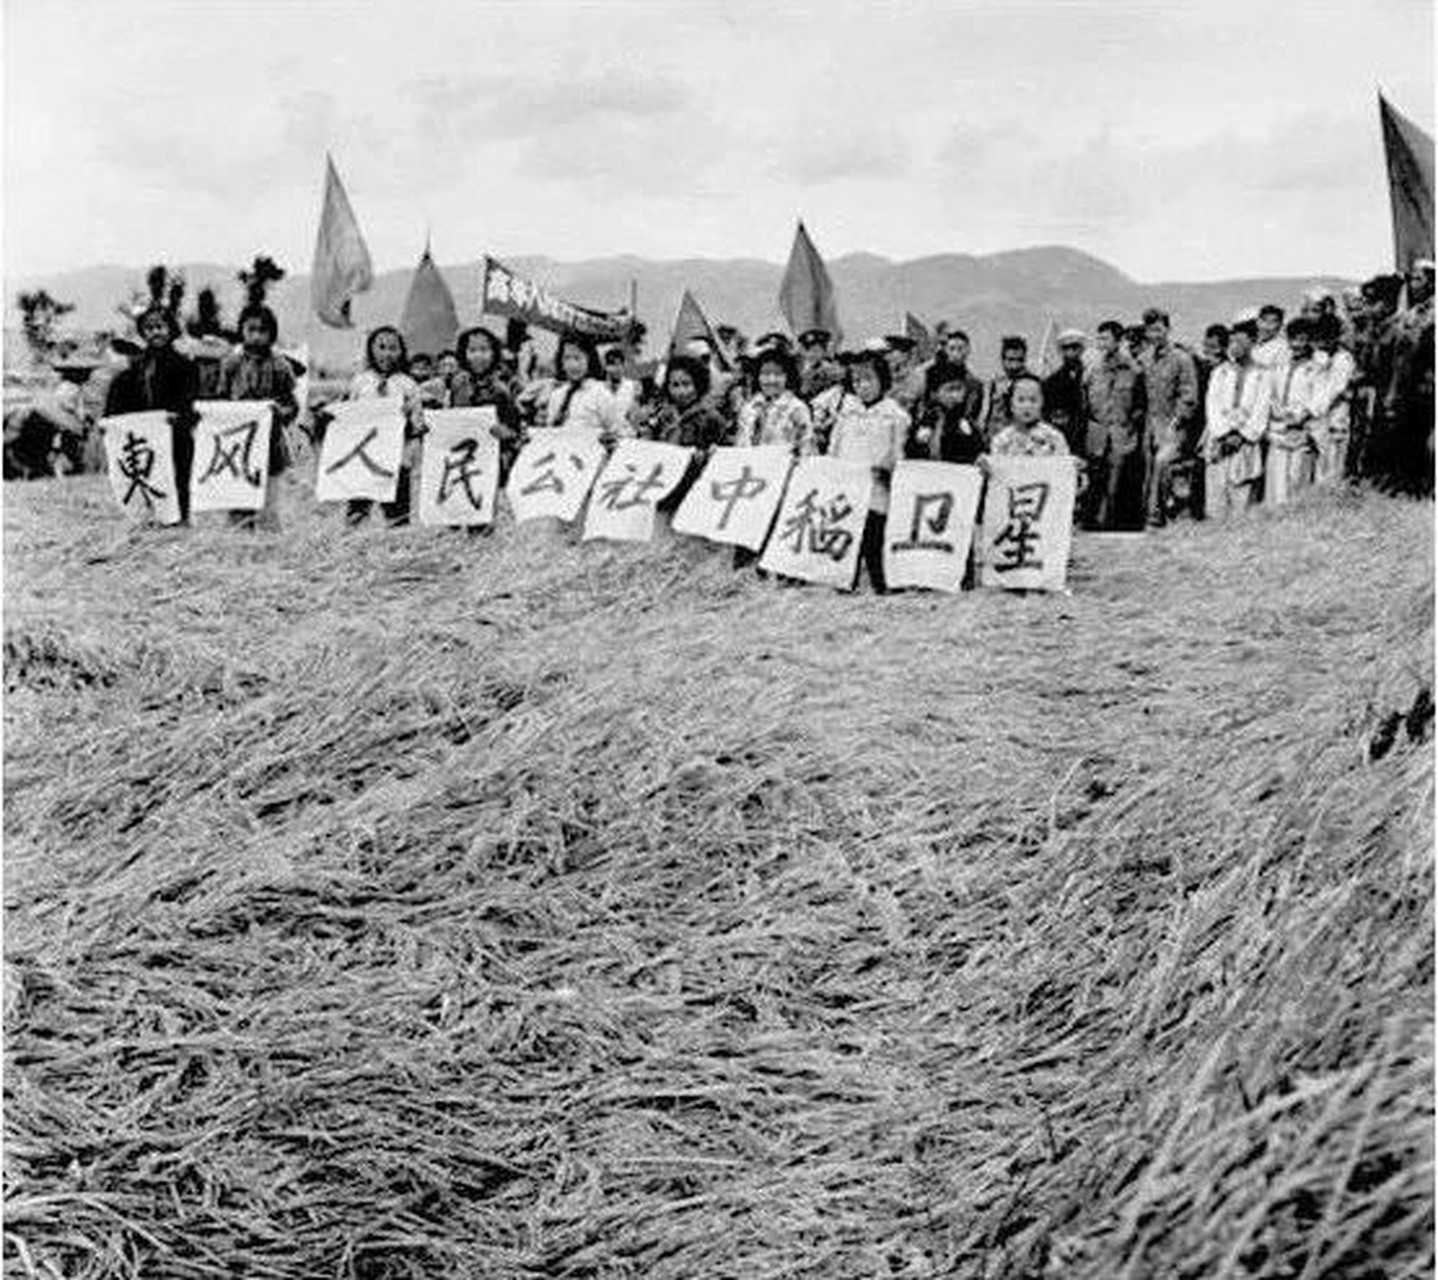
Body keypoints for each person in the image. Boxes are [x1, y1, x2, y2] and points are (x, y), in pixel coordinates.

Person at [103, 268, 200, 524]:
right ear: (143, 333)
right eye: (149, 328)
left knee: (179, 478)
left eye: (160, 326)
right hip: (147, 437)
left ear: (171, 329)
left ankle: (180, 522)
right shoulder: (135, 368)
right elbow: (122, 395)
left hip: (175, 434)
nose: (155, 332)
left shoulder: (185, 365)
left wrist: (179, 417)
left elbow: (191, 399)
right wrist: (111, 421)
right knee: (149, 477)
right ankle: (152, 520)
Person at [215, 288, 299, 530]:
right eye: (251, 330)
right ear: (241, 332)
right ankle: (239, 536)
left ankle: (269, 537)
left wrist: (281, 412)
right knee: (239, 491)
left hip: (271, 439)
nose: (256, 336)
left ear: (272, 334)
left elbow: (290, 401)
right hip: (238, 439)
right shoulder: (231, 363)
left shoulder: (280, 365)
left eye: (262, 331)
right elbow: (221, 397)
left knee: (268, 494)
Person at [826, 349, 910, 592]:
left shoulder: (894, 414)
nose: (862, 386)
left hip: (877, 488)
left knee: (875, 539)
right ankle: (845, 582)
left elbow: (898, 449)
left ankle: (881, 584)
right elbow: (835, 446)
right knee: (849, 535)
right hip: (849, 485)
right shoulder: (847, 413)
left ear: (882, 381)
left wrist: (890, 468)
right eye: (857, 381)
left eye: (868, 380)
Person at [335, 325, 426, 528]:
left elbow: (417, 423)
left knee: (398, 510)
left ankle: (397, 543)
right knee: (358, 505)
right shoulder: (360, 383)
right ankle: (355, 540)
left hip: (397, 455)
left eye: (393, 348)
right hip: (364, 455)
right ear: (371, 350)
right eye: (381, 347)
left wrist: (411, 451)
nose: (387, 353)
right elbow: (347, 414)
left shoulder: (407, 384)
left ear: (402, 351)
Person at [1202, 312, 1271, 518]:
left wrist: (1242, 435)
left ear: (1252, 342)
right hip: (1220, 442)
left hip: (1245, 444)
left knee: (1242, 496)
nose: (1235, 346)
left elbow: (1261, 408)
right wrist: (1223, 433)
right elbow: (1212, 405)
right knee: (1216, 496)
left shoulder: (1263, 374)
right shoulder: (1220, 372)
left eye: (1241, 341)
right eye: (1232, 341)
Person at [1082, 319, 1146, 530]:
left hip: (1122, 433)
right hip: (1097, 432)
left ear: (1118, 341)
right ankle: (1092, 522)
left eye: (1105, 338)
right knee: (1095, 480)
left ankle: (1112, 523)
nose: (1101, 342)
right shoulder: (1092, 369)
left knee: (1116, 483)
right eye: (1098, 337)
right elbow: (1085, 399)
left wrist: (1129, 424)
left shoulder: (1133, 370)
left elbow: (1140, 403)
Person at [1138, 307, 1198, 527]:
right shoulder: (1144, 359)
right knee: (1147, 469)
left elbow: (1189, 395)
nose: (1155, 335)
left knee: (1163, 463)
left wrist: (1178, 421)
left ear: (1168, 329)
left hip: (1173, 425)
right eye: (1150, 331)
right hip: (1149, 424)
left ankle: (1161, 516)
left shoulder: (1182, 359)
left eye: (1158, 329)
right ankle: (1150, 515)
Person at [450, 325, 523, 480]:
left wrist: (505, 433)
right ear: (464, 354)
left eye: (484, 350)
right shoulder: (457, 383)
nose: (478, 356)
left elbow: (515, 432)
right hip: (461, 456)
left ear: (494, 353)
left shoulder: (501, 390)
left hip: (491, 460)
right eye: (472, 350)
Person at [1263, 318, 1321, 506]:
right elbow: (1270, 392)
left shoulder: (1316, 368)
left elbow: (1317, 400)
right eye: (1293, 340)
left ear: (1310, 341)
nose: (1297, 345)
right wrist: (1277, 411)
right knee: (1276, 485)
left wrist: (1300, 415)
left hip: (1302, 431)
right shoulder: (1280, 365)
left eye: (1303, 340)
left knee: (1297, 483)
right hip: (1278, 429)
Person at [734, 347, 813, 454]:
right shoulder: (749, 408)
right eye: (765, 374)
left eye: (778, 374)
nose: (771, 380)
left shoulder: (797, 409)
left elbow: (806, 447)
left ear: (787, 377)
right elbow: (741, 444)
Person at [1307, 313, 1356, 486]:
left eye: (1328, 338)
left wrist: (1315, 409)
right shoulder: (1318, 356)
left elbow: (1337, 389)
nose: (1323, 342)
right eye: (1320, 338)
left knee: (1333, 464)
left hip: (1335, 416)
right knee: (1317, 464)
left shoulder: (1344, 358)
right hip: (1316, 417)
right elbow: (1312, 384)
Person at [541, 335, 618, 439]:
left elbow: (614, 432)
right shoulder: (556, 395)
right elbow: (550, 431)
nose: (573, 365)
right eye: (567, 358)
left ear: (589, 360)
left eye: (578, 358)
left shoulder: (601, 394)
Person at [908, 363, 985, 465]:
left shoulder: (967, 426)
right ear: (934, 393)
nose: (955, 395)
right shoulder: (921, 420)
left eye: (959, 389)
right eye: (950, 389)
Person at [987, 375, 1070, 456]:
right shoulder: (1002, 440)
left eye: (1033, 400)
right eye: (1021, 400)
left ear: (1042, 404)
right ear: (1011, 405)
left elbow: (1064, 464)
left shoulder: (1054, 438)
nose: (1027, 406)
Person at [1043, 329, 1089, 454]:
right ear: (1060, 351)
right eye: (1066, 348)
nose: (1071, 352)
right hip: (1065, 439)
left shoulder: (1091, 375)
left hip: (1090, 437)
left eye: (1075, 347)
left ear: (1082, 349)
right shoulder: (1052, 382)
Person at [982, 336, 1033, 437]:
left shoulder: (1034, 385)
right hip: (996, 439)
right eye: (1010, 360)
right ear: (1002, 360)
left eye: (1019, 360)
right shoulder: (994, 385)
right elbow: (986, 416)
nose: (1014, 366)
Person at [601, 345, 640, 429]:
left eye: (619, 364)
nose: (616, 369)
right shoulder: (598, 388)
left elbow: (635, 415)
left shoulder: (633, 387)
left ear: (624, 366)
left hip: (626, 435)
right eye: (612, 364)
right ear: (605, 367)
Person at [1252, 305, 1289, 372]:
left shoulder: (1284, 348)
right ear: (1258, 322)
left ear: (1280, 325)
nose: (1267, 325)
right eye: (1264, 320)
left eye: (1273, 322)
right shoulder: (1252, 345)